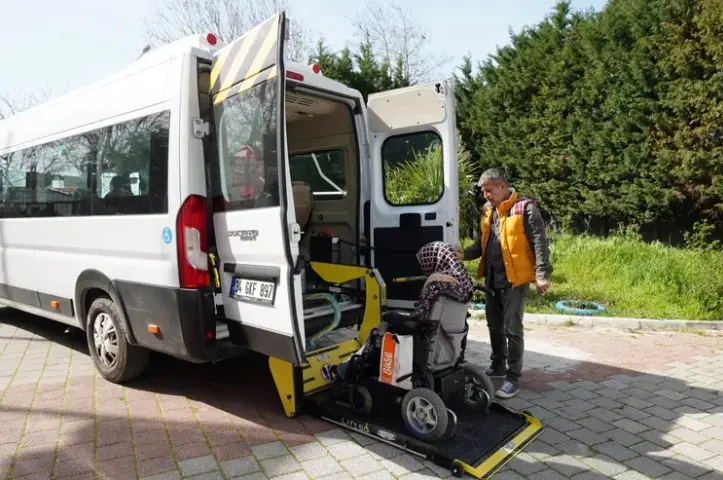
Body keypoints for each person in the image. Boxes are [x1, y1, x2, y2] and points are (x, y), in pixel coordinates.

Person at [457, 168, 552, 399]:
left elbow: (540, 243)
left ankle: (513, 378)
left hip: (514, 281)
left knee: (512, 328)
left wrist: (541, 274)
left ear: (502, 186)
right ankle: (497, 365)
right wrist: (462, 253)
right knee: (494, 325)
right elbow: (481, 245)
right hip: (491, 278)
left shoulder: (525, 207)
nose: (486, 195)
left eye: (489, 190)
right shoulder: (488, 211)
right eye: (484, 191)